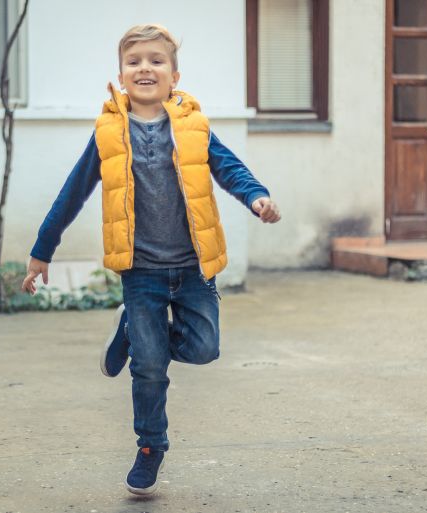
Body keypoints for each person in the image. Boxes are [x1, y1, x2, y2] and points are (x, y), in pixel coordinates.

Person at [21, 24, 280, 495]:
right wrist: (42, 251)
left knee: (205, 348)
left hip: (193, 267)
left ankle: (135, 337)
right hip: (140, 270)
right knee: (150, 369)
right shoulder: (107, 133)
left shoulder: (194, 127)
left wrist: (256, 197)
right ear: (121, 76)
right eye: (135, 61)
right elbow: (73, 193)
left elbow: (230, 169)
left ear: (174, 76)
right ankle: (150, 445)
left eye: (156, 61)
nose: (145, 68)